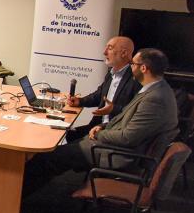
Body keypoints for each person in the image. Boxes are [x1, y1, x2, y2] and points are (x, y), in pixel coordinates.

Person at [23, 48, 179, 198]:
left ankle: (14, 198)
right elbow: (127, 119)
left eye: (133, 63)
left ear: (143, 68)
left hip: (119, 154)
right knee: (59, 150)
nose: (131, 66)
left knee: (48, 158)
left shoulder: (155, 98)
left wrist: (100, 133)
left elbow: (128, 137)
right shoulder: (156, 90)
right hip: (115, 146)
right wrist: (102, 126)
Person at [65, 36, 141, 143]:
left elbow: (134, 112)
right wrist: (80, 101)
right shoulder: (111, 72)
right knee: (70, 134)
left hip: (112, 130)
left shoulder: (136, 78)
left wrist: (113, 109)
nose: (104, 52)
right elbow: (99, 95)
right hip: (97, 125)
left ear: (123, 53)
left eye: (109, 48)